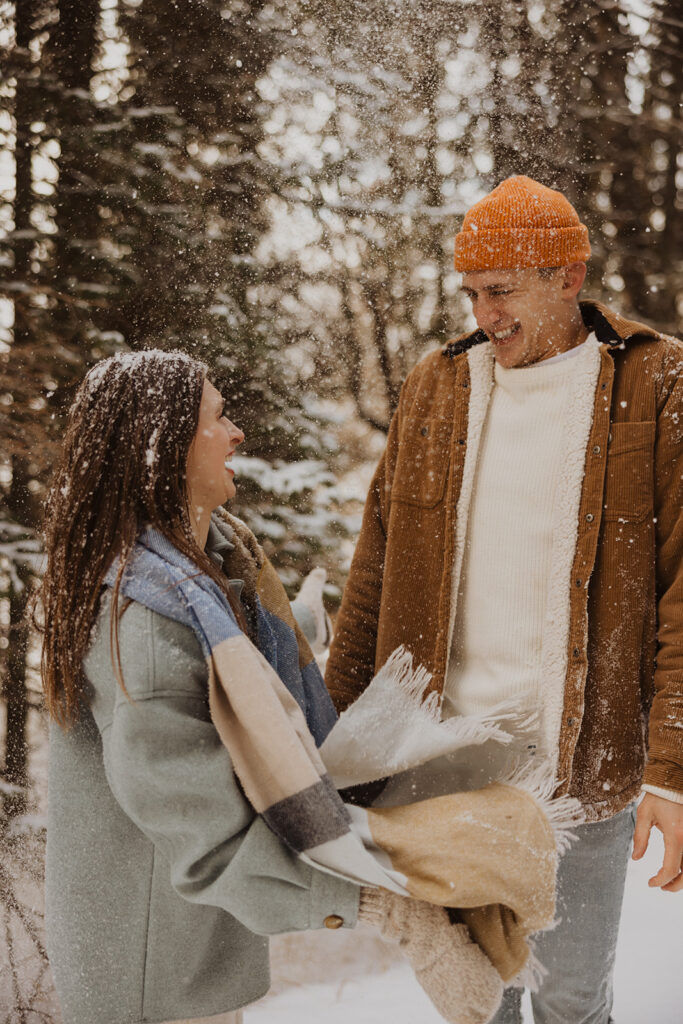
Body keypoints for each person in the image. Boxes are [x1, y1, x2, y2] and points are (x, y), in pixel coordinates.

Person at [40, 349, 511, 1024]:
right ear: (163, 446)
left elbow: (226, 678)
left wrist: (299, 632)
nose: (235, 434)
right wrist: (397, 914)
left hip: (186, 959)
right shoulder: (143, 625)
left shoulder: (202, 570)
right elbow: (209, 840)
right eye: (217, 417)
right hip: (153, 985)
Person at [326, 175, 683, 1024]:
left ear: (567, 276)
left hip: (577, 769)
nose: (485, 315)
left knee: (569, 999)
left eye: (501, 291)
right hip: (445, 763)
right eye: (472, 294)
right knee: (476, 1000)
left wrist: (670, 770)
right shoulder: (437, 387)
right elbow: (373, 571)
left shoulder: (655, 381)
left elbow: (680, 589)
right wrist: (330, 741)